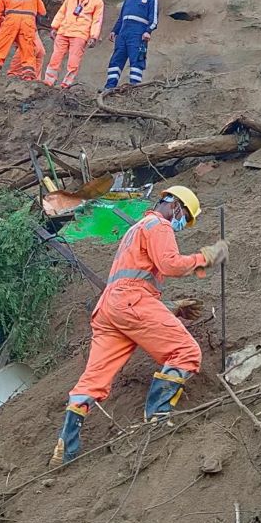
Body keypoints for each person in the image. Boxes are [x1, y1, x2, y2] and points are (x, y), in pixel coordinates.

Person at [50, 185, 227, 465]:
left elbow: (132, 279)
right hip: (131, 301)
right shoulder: (160, 225)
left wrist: (169, 308)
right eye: (184, 217)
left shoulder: (137, 228)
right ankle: (156, 419)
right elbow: (169, 265)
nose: (181, 224)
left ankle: (66, 447)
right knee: (186, 352)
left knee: (93, 381)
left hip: (110, 308)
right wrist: (205, 258)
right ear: (175, 206)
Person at [44, 0, 104, 89]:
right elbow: (62, 12)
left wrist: (93, 36)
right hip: (63, 31)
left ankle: (66, 84)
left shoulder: (97, 2)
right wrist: (54, 27)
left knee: (73, 61)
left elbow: (97, 20)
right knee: (55, 57)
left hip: (80, 34)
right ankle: (48, 82)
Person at [105, 0, 158, 89]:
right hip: (123, 34)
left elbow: (154, 20)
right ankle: (109, 87)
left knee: (136, 61)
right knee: (116, 59)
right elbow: (121, 18)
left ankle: (134, 88)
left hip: (138, 35)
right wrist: (114, 31)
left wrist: (148, 31)